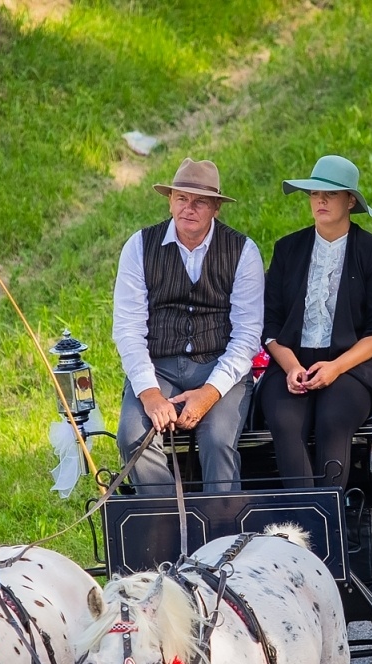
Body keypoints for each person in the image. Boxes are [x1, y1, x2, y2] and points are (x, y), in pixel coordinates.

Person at [112, 157, 263, 493]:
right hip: (159, 368)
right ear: (170, 201)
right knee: (132, 437)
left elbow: (247, 336)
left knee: (218, 440)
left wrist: (209, 394)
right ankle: (166, 524)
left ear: (216, 209)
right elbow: (128, 329)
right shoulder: (138, 247)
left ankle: (223, 536)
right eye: (181, 198)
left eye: (200, 202)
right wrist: (150, 394)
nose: (188, 208)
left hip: (219, 365)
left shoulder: (243, 251)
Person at [260, 155, 372, 489]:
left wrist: (335, 368)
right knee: (283, 421)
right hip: (292, 360)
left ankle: (328, 519)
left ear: (350, 200)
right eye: (314, 193)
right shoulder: (287, 249)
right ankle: (306, 522)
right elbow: (271, 324)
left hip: (353, 365)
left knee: (333, 419)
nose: (320, 200)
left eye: (331, 194)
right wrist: (292, 367)